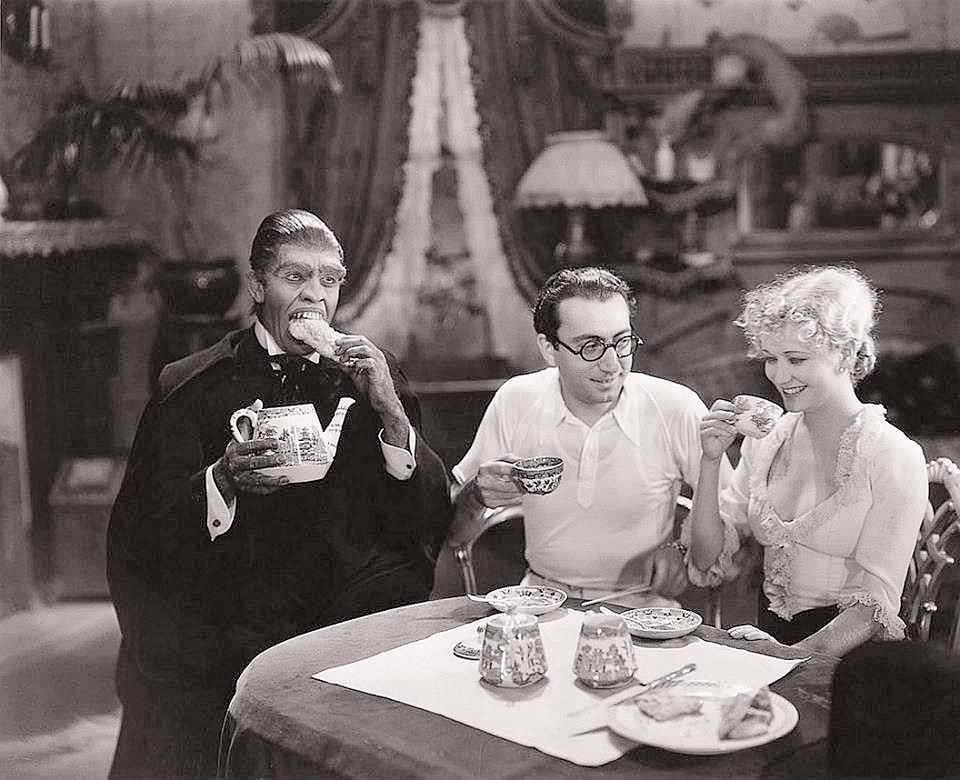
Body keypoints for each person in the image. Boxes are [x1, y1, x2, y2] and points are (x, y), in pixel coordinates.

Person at [106, 209, 451, 777]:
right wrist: (222, 479)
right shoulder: (190, 385)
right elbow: (139, 536)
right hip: (227, 626)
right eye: (296, 277)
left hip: (341, 623)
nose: (315, 297)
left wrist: (391, 414)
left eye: (329, 280)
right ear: (259, 285)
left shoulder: (373, 375)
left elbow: (428, 514)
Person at [448, 267, 730, 607]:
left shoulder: (675, 406)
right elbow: (452, 534)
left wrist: (681, 549)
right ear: (549, 349)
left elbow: (733, 513)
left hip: (642, 608)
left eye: (622, 342)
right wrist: (476, 496)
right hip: (540, 600)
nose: (613, 364)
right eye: (591, 346)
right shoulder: (516, 400)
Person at [687, 266, 928, 656]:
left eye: (796, 359)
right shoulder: (765, 442)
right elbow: (706, 559)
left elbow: (874, 607)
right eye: (770, 358)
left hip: (851, 661)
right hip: (766, 644)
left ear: (846, 353)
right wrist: (710, 460)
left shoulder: (892, 455)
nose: (780, 376)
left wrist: (786, 657)